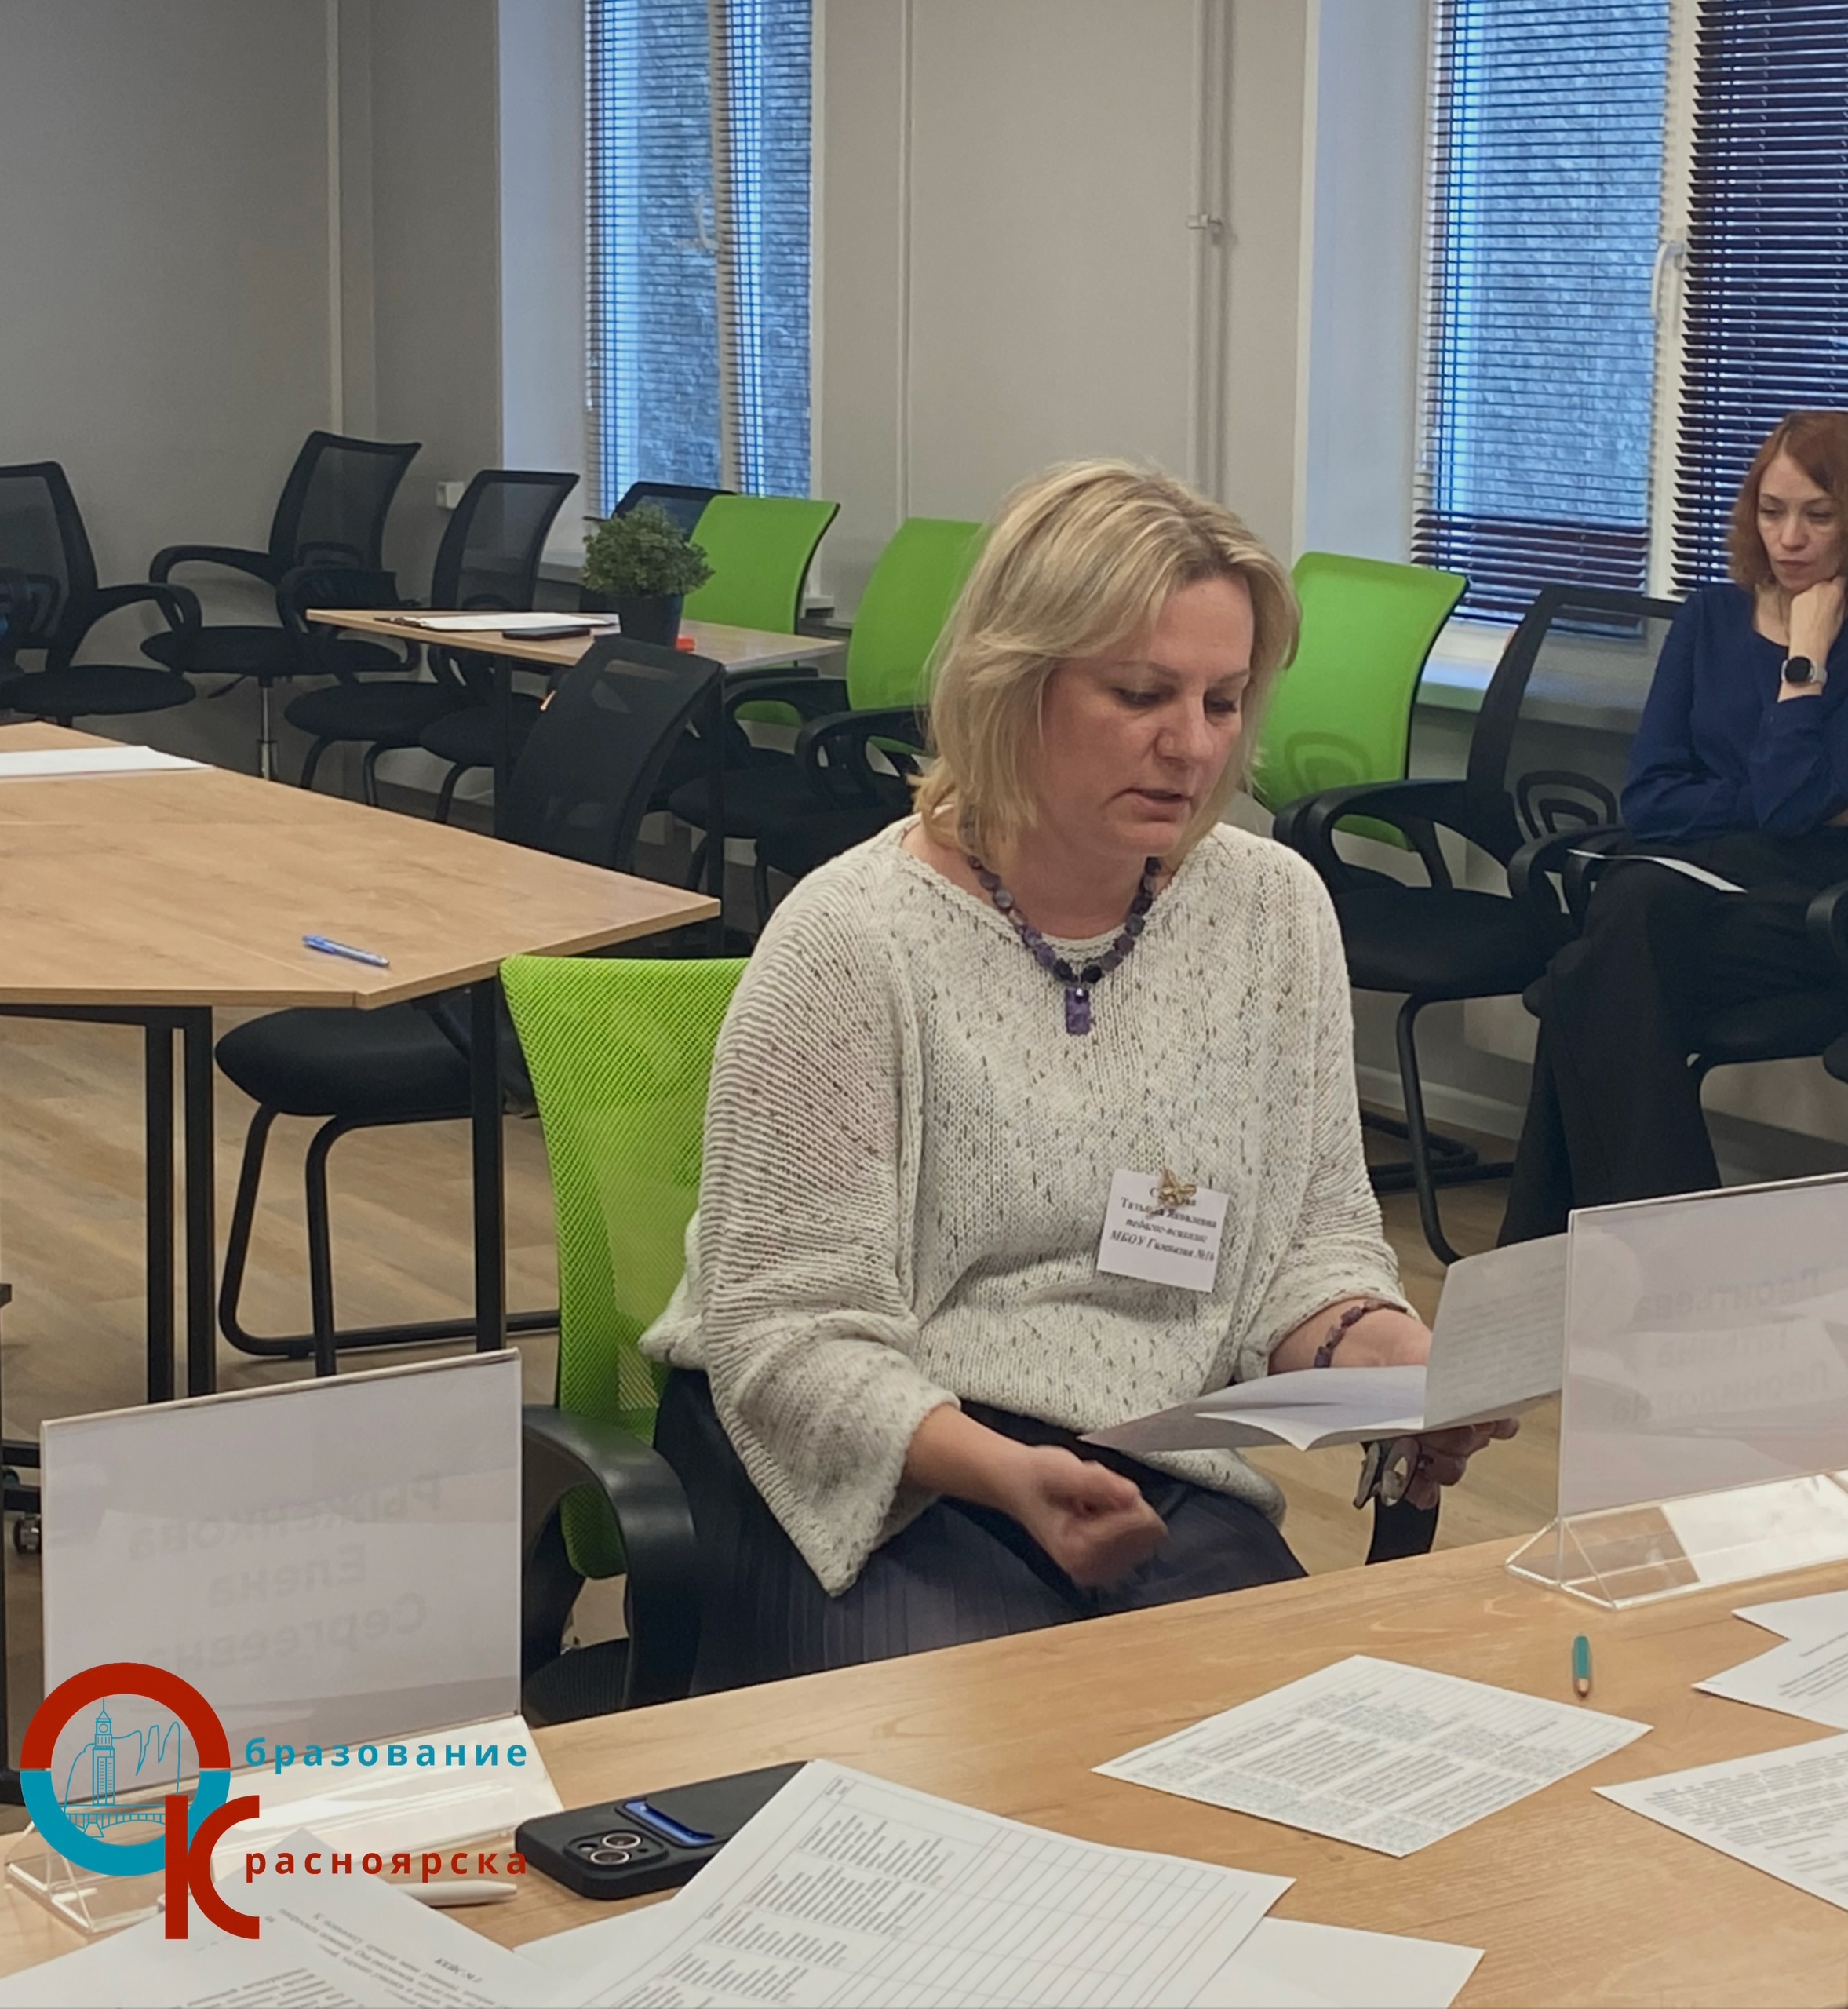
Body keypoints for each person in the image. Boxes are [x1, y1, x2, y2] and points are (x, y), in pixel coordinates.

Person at [643, 460, 1513, 1691]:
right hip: (874, 1463)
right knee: (978, 1762)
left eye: (1223, 702)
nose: (1191, 745)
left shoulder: (1269, 914)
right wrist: (1002, 1473)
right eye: (1140, 694)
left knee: (1295, 1738)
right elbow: (786, 1336)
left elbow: (1307, 1247)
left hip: (1147, 1458)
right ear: (1012, 685)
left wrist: (1390, 1356)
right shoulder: (851, 940)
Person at [1501, 410, 1848, 1243]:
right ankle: (1669, 1253)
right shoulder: (1710, 618)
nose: (1788, 537)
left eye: (1818, 514)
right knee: (1621, 937)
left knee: (1587, 971)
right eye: (1772, 510)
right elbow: (1653, 799)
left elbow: (1788, 809)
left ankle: (1564, 1255)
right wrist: (1782, 799)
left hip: (1813, 910)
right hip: (1695, 890)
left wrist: (1804, 663)